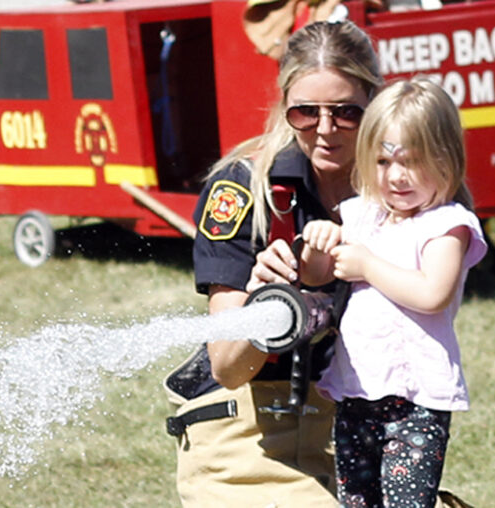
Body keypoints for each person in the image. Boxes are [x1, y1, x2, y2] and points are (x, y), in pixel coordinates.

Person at [163, 20, 382, 507]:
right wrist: (264, 310)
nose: (325, 130)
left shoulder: (395, 187)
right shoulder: (245, 188)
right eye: (307, 113)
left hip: (356, 425)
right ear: (286, 107)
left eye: (346, 113)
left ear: (374, 103)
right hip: (247, 440)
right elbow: (226, 367)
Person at [295, 77, 487, 508]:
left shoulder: (446, 225)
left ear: (446, 160)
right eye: (383, 162)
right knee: (357, 500)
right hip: (358, 392)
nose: (396, 177)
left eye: (412, 161)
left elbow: (431, 293)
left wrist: (367, 265)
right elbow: (316, 275)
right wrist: (318, 243)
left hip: (415, 402)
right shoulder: (361, 215)